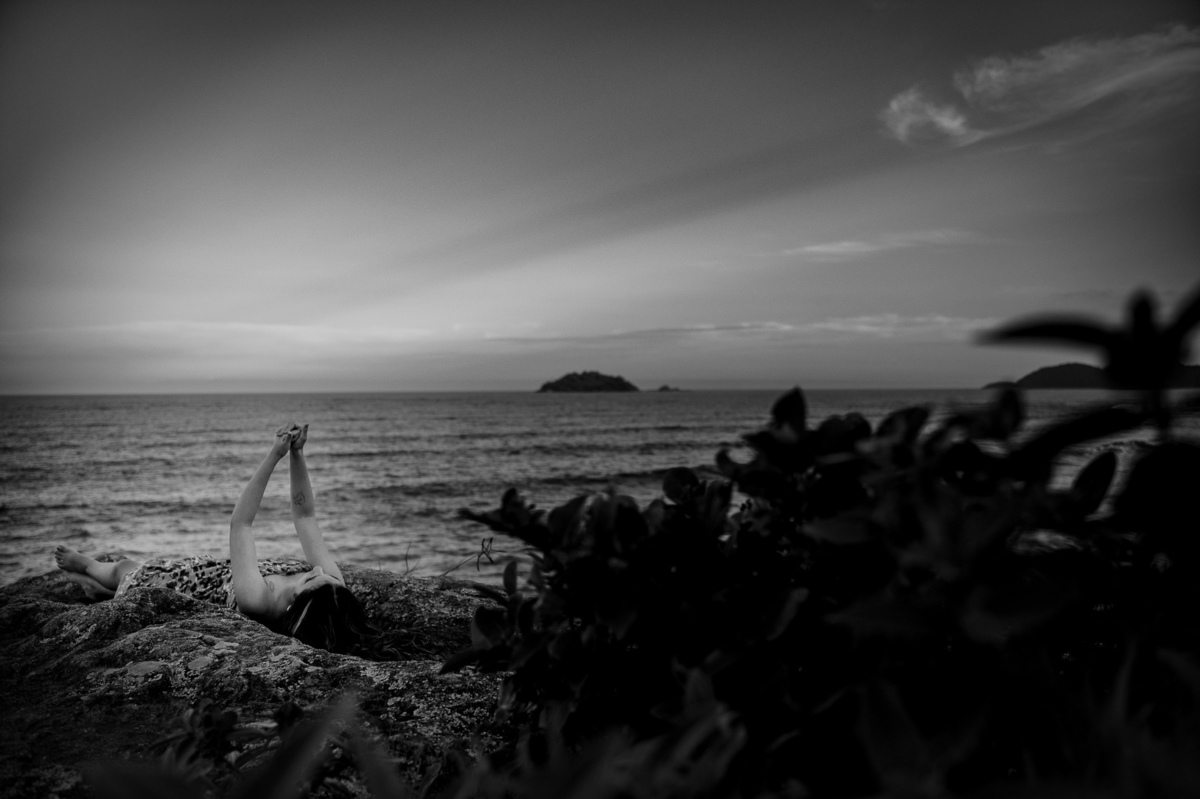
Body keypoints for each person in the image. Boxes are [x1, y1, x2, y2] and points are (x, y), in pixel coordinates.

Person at [55, 423, 396, 658]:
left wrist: (274, 455)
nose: (319, 567)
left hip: (191, 586)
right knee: (128, 571)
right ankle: (99, 588)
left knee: (128, 570)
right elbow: (305, 516)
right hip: (213, 568)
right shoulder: (332, 588)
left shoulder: (257, 600)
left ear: (299, 604)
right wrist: (298, 454)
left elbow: (241, 523)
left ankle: (90, 568)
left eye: (312, 577)